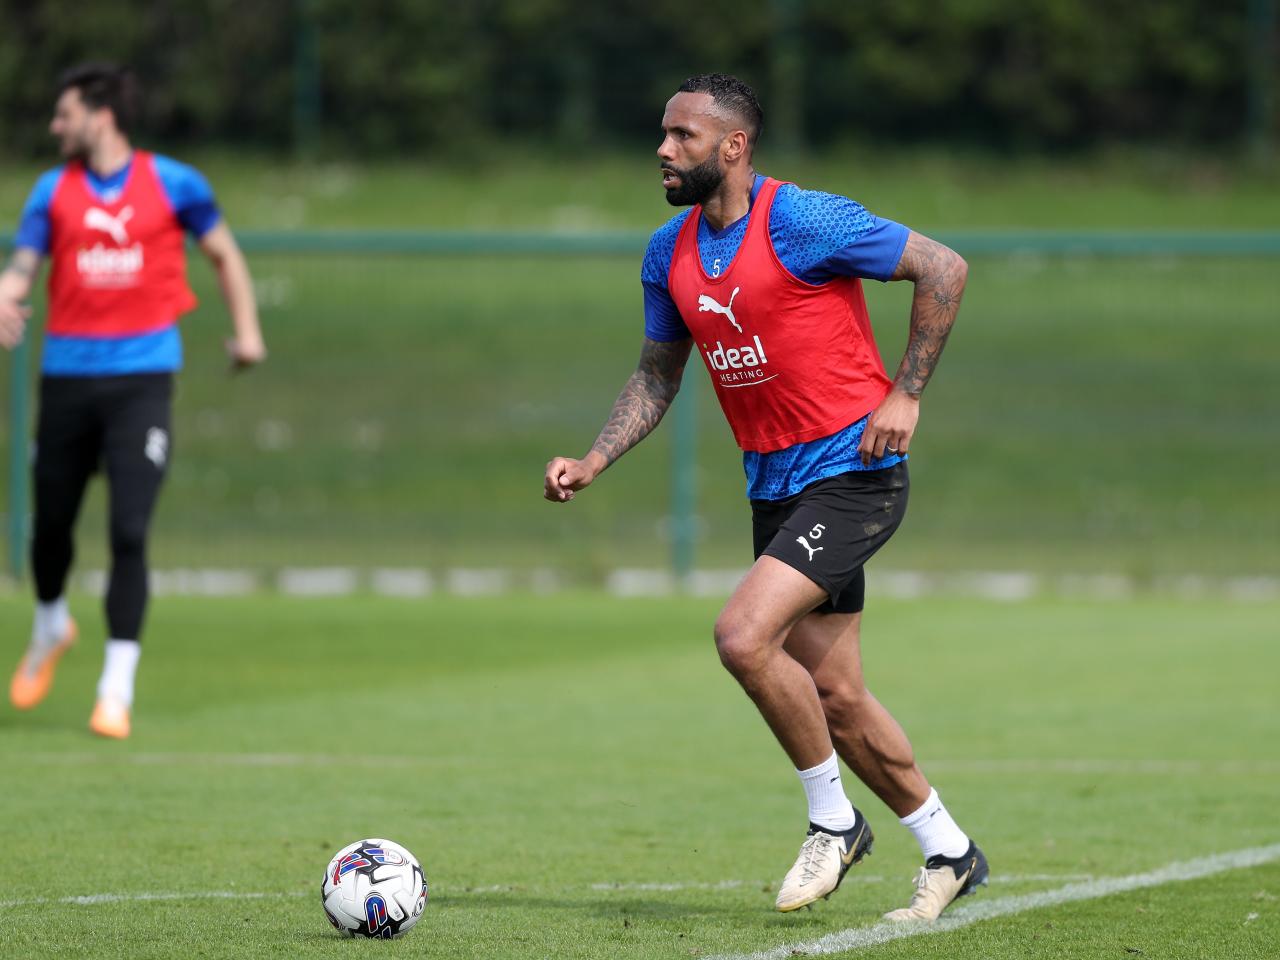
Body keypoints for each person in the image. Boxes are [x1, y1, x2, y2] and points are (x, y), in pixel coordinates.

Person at [544, 74, 987, 920]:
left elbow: (943, 267)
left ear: (734, 146)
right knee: (838, 699)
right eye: (663, 134)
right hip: (775, 487)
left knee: (742, 637)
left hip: (854, 474)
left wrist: (906, 393)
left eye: (682, 136)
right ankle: (950, 850)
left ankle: (834, 824)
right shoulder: (666, 252)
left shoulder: (803, 220)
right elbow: (656, 375)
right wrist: (595, 458)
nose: (663, 149)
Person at [0, 63, 265, 739]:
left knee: (129, 530)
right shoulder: (52, 191)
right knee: (51, 527)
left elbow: (224, 254)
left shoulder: (175, 183)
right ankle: (51, 624)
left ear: (102, 115)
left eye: (64, 114)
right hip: (66, 380)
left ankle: (115, 688)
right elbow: (23, 266)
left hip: (142, 382)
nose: (55, 126)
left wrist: (247, 333)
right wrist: (3, 295)